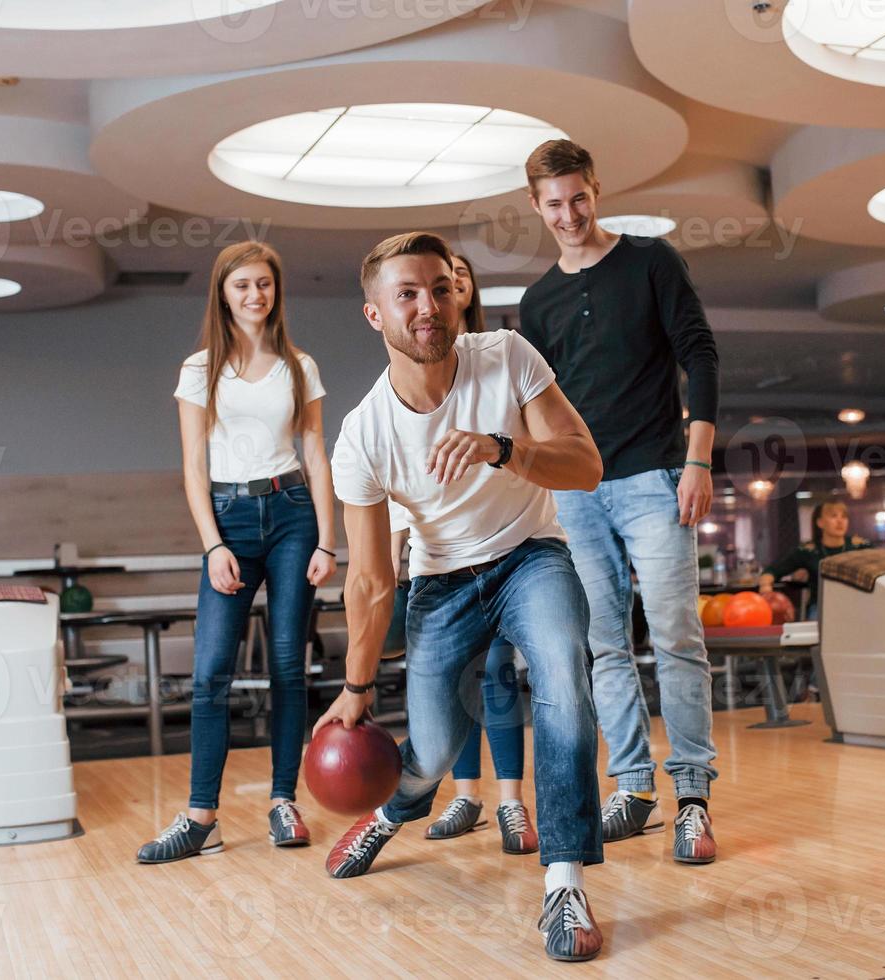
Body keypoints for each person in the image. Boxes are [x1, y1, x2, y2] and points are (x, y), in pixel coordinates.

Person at [317, 231, 606, 963]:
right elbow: (372, 579)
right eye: (407, 293)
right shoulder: (362, 436)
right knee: (436, 748)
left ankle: (565, 881)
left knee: (564, 682)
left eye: (441, 288)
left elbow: (586, 466)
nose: (428, 306)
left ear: (461, 294)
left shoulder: (507, 357)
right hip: (441, 582)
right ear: (374, 314)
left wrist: (502, 447)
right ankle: (393, 812)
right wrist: (355, 687)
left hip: (531, 556)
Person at [518, 139, 719, 865]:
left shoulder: (651, 261)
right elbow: (538, 407)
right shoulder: (536, 304)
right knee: (603, 645)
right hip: (576, 492)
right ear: (535, 208)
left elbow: (699, 353)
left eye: (578, 198)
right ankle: (631, 788)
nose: (569, 215)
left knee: (674, 634)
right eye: (554, 204)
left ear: (596, 191)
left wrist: (698, 458)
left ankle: (692, 797)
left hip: (655, 478)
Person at [138, 241, 336, 864]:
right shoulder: (200, 370)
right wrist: (213, 544)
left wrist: (329, 538)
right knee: (210, 674)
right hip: (228, 518)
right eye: (242, 285)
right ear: (222, 293)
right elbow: (193, 465)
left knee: (286, 665)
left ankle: (283, 800)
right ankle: (202, 818)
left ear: (277, 292)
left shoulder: (300, 366)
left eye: (265, 285)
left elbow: (315, 452)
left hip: (292, 516)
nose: (255, 296)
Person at [420, 253, 536, 855]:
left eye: (456, 281)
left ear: (465, 293)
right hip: (445, 553)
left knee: (493, 672)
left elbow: (536, 448)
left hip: (507, 544)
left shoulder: (502, 361)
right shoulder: (415, 372)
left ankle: (512, 801)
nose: (447, 291)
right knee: (458, 677)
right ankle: (467, 796)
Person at [758, 499, 872, 610]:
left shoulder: (860, 546)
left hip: (855, 606)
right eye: (834, 516)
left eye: (844, 517)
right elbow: (772, 571)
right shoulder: (808, 550)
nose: (840, 521)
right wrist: (766, 587)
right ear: (820, 522)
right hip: (820, 607)